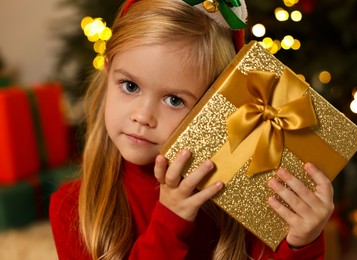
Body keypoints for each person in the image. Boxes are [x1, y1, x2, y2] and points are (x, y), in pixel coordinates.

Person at [50, 0, 334, 259]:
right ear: (108, 73)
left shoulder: (239, 197)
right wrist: (170, 222)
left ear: (214, 109)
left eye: (174, 100)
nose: (142, 116)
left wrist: (301, 242)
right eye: (130, 86)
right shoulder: (71, 208)